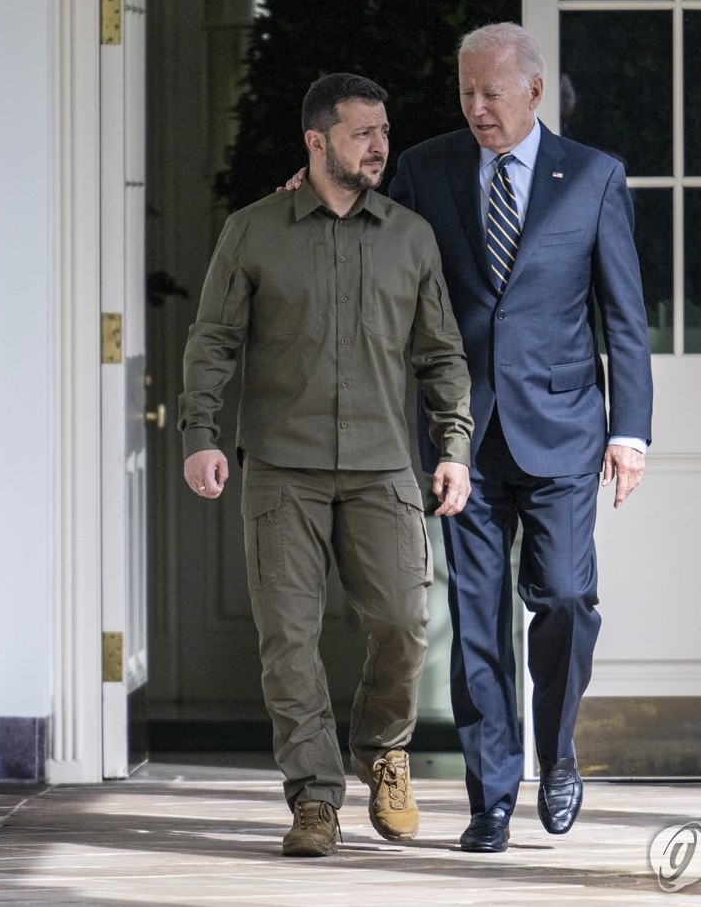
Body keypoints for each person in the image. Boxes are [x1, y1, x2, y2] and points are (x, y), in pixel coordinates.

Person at [289, 24, 653, 852]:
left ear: (533, 91)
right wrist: (314, 192)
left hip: (563, 429)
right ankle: (491, 800)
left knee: (562, 597)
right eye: (466, 92)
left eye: (493, 92)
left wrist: (629, 432)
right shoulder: (429, 167)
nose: (477, 107)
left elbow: (623, 318)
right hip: (461, 435)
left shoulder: (592, 178)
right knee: (478, 620)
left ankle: (557, 756)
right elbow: (377, 242)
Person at [178, 73, 474, 858]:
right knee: (289, 641)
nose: (381, 145)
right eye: (361, 133)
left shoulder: (409, 236)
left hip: (383, 467)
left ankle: (383, 751)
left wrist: (454, 446)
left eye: (384, 130)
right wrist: (200, 433)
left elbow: (440, 353)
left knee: (404, 623)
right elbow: (214, 340)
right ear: (316, 142)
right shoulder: (253, 231)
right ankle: (312, 799)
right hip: (283, 469)